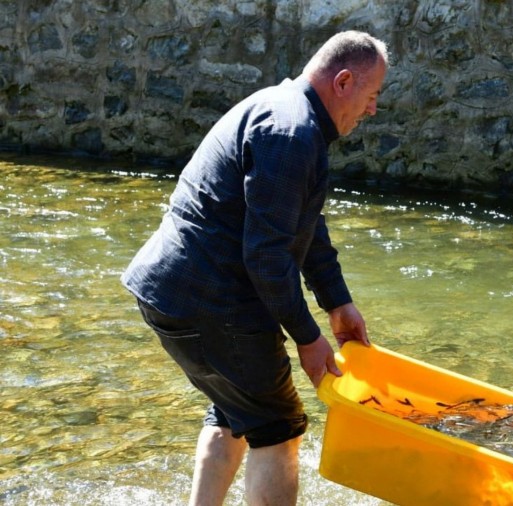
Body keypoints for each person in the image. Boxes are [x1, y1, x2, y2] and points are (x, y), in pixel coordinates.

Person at [121, 31, 389, 505]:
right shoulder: (292, 133)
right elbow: (267, 257)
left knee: (235, 411)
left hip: (172, 292)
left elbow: (304, 226)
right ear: (344, 81)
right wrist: (308, 337)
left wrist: (337, 302)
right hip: (209, 300)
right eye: (372, 97)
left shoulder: (286, 111)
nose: (372, 110)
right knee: (278, 427)